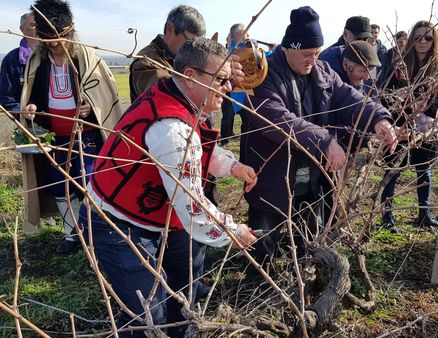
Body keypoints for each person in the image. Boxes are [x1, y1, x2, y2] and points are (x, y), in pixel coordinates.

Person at [80, 38, 257, 337]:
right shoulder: (170, 128)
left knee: (185, 282)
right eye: (222, 79)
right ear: (190, 77)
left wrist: (231, 165)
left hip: (158, 212)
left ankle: (183, 330)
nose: (228, 87)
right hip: (116, 221)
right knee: (147, 314)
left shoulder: (178, 97)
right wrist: (233, 231)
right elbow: (193, 207)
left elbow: (196, 145)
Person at [243, 6, 397, 271]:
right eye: (306, 54)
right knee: (266, 233)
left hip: (312, 170)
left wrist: (379, 119)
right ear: (289, 48)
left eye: (316, 53)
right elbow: (278, 120)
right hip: (273, 170)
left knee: (310, 229)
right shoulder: (263, 76)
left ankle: (305, 272)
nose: (312, 60)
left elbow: (351, 98)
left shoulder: (324, 71)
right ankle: (259, 280)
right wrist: (325, 141)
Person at [21, 0, 123, 253]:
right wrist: (31, 108)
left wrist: (90, 109)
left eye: (58, 37)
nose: (54, 44)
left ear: (70, 31)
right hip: (53, 137)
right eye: (48, 39)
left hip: (86, 135)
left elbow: (103, 97)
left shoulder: (88, 60)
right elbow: (32, 96)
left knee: (89, 183)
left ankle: (94, 233)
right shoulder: (38, 61)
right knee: (59, 184)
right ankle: (71, 234)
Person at [380, 21, 438, 231]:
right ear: (411, 40)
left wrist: (425, 106)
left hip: (427, 129)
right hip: (399, 127)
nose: (422, 42)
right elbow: (384, 96)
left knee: (424, 171)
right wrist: (403, 106)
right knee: (392, 170)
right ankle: (387, 217)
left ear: (434, 40)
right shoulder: (399, 67)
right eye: (418, 37)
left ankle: (424, 214)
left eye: (427, 37)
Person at [0, 13, 37, 113]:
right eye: (33, 25)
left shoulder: (53, 55)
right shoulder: (12, 59)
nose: (38, 28)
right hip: (28, 122)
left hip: (58, 121)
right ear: (22, 29)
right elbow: (5, 96)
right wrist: (22, 112)